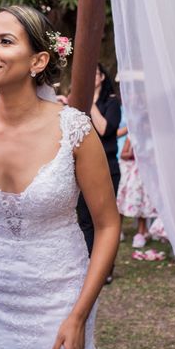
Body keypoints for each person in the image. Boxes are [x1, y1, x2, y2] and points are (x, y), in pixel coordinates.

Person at [0, 5, 121, 349]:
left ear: (38, 61)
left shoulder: (76, 131)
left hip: (59, 295)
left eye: (5, 41)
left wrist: (79, 315)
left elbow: (108, 225)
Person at [76, 63, 122, 256]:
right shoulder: (78, 103)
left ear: (102, 77)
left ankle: (105, 266)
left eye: (94, 74)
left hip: (108, 166)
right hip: (82, 167)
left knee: (103, 221)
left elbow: (104, 129)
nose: (91, 78)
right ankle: (88, 261)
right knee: (84, 219)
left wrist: (90, 104)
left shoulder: (111, 102)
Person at [117, 136, 158, 249]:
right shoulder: (132, 137)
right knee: (122, 201)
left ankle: (141, 232)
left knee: (142, 202)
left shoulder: (153, 138)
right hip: (131, 173)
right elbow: (122, 154)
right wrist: (132, 153)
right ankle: (118, 230)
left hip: (144, 174)